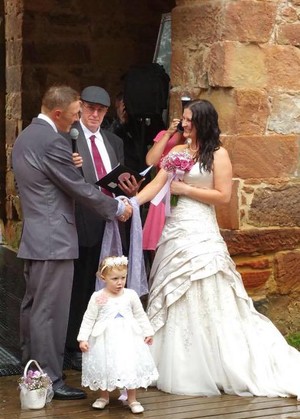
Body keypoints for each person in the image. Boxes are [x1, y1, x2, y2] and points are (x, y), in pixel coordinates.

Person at [136, 99, 300, 399]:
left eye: (188, 120)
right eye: (183, 119)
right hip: (176, 229)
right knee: (172, 287)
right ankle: (170, 358)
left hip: (201, 228)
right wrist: (132, 204)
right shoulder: (176, 152)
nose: (183, 124)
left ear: (203, 123)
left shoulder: (218, 155)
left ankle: (215, 361)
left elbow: (223, 197)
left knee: (208, 286)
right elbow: (157, 183)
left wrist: (186, 189)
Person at [12, 85, 132, 400]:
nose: (78, 119)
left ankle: (32, 378)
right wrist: (117, 207)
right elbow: (78, 188)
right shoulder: (52, 140)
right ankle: (48, 379)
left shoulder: (27, 136)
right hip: (54, 239)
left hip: (37, 236)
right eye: (75, 114)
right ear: (57, 113)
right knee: (49, 313)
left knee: (33, 310)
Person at [64, 86, 137, 371]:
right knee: (80, 287)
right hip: (82, 223)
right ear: (81, 106)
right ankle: (72, 346)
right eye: (90, 108)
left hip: (111, 224)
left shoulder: (113, 141)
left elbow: (117, 179)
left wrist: (130, 188)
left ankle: (103, 342)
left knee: (109, 287)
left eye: (101, 110)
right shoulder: (68, 138)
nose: (95, 114)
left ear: (107, 112)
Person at [77, 255, 158, 413]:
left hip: (128, 337)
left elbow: (140, 315)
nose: (120, 282)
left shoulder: (131, 295)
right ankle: (104, 396)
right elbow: (89, 318)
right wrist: (83, 338)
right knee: (105, 365)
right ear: (103, 277)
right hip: (105, 338)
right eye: (114, 278)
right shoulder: (98, 297)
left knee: (129, 365)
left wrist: (148, 332)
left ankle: (132, 398)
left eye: (123, 278)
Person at [143, 118, 184, 256]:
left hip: (182, 190)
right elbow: (150, 161)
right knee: (157, 244)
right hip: (162, 190)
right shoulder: (165, 134)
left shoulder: (195, 140)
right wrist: (168, 134)